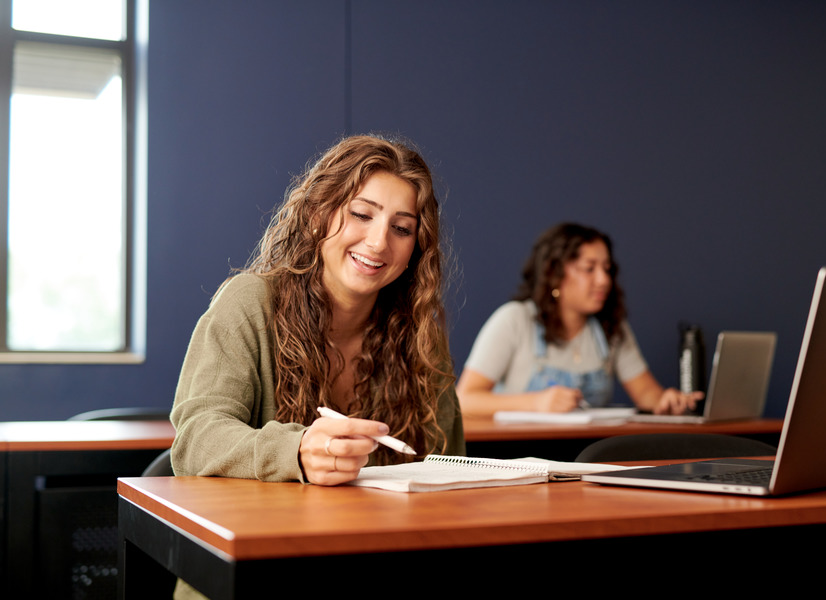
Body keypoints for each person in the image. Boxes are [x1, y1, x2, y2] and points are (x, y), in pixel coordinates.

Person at [171, 134, 464, 488]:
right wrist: (295, 452)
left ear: (414, 250)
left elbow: (449, 466)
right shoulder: (251, 302)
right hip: (270, 535)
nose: (378, 242)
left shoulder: (420, 335)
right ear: (317, 214)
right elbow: (194, 440)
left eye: (402, 229)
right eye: (361, 214)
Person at [457, 223, 701, 416]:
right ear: (554, 274)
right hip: (517, 459)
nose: (603, 280)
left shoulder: (612, 329)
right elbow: (465, 399)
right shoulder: (514, 319)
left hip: (589, 456)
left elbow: (648, 394)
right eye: (589, 268)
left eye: (607, 269)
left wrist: (667, 401)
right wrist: (537, 403)